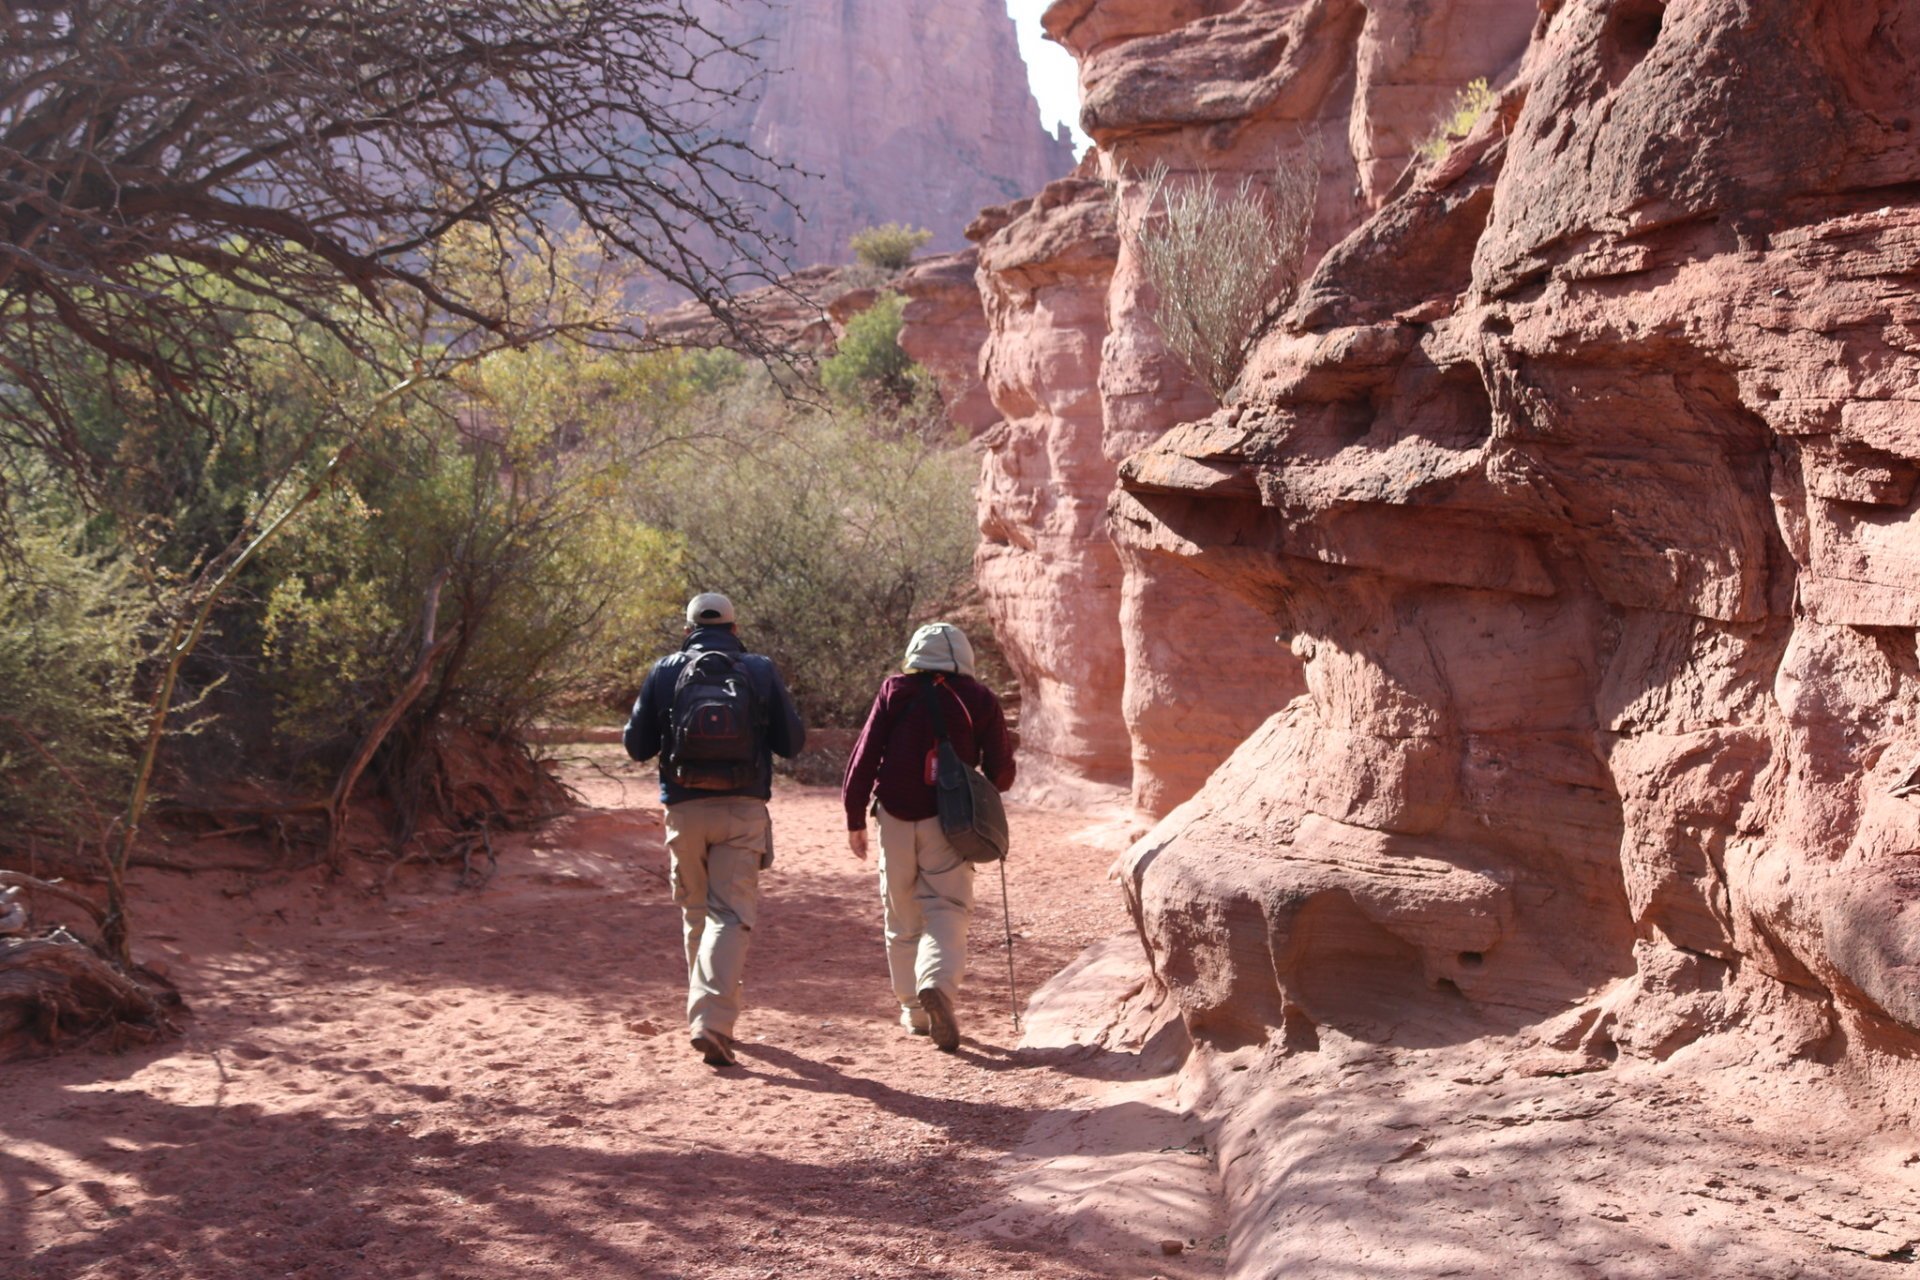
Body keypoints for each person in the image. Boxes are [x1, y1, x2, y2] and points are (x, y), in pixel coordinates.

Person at [625, 592, 805, 1068]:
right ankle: (711, 1020)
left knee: (696, 912)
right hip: (743, 809)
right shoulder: (760, 670)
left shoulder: (666, 669)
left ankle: (706, 1014)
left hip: (684, 810)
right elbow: (792, 743)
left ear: (687, 629)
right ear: (734, 626)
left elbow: (636, 746)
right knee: (729, 915)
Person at [842, 621, 1015, 1052]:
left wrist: (854, 817)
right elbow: (1003, 772)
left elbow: (864, 757)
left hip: (895, 818)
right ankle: (935, 983)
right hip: (950, 822)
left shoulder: (894, 691)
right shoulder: (978, 699)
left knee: (901, 916)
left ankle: (915, 1013)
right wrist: (980, 786)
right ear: (964, 657)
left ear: (915, 655)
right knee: (947, 907)